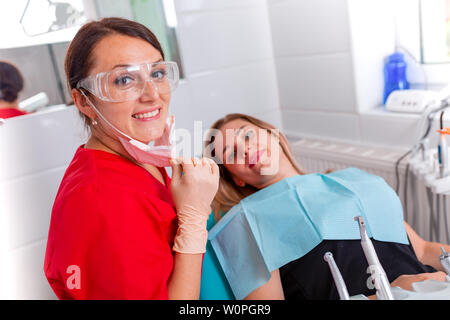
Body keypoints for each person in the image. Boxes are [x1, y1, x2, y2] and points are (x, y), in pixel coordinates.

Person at [44, 17, 219, 300]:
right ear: (84, 101)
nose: (153, 95)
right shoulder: (99, 197)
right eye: (124, 79)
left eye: (158, 73)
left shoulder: (138, 156)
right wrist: (194, 220)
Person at [204, 113, 450, 300]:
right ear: (236, 178)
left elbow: (424, 250)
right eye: (231, 153)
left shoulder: (352, 182)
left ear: (273, 134)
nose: (246, 149)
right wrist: (390, 292)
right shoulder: (245, 223)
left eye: (247, 135)